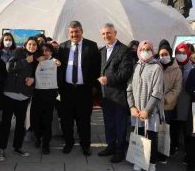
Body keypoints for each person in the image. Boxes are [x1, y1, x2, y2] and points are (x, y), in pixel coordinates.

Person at [57, 21, 101, 156]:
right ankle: (69, 143)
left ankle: (85, 145)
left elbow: (97, 67)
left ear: (81, 31)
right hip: (67, 90)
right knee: (67, 119)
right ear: (68, 33)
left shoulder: (91, 46)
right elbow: (59, 67)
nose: (74, 34)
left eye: (76, 31)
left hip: (84, 90)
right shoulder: (63, 47)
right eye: (71, 32)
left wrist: (94, 86)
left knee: (84, 120)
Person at [97, 23, 134, 162]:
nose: (106, 36)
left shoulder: (124, 50)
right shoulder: (102, 51)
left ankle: (120, 151)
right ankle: (110, 146)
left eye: (108, 33)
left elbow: (126, 72)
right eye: (104, 34)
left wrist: (109, 79)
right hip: (106, 96)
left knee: (120, 125)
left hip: (119, 95)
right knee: (109, 123)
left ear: (115, 33)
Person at [0, 37, 38, 160]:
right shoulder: (19, 52)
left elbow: (38, 75)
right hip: (10, 93)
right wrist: (26, 60)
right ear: (26, 45)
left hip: (24, 95)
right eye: (30, 44)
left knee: (21, 124)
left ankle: (17, 147)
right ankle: (1, 149)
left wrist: (33, 80)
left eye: (34, 44)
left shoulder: (37, 58)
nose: (32, 46)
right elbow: (9, 67)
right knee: (6, 124)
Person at [127, 41, 164, 171]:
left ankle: (152, 162)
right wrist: (132, 106)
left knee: (151, 137)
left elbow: (157, 92)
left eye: (148, 49)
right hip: (136, 111)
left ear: (152, 51)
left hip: (150, 111)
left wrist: (147, 110)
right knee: (139, 136)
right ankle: (139, 160)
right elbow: (129, 89)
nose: (145, 51)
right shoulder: (136, 66)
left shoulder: (156, 68)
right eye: (142, 49)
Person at [31, 43, 61, 154]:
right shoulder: (36, 62)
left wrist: (58, 64)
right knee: (36, 118)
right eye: (43, 51)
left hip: (50, 94)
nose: (45, 53)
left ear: (52, 52)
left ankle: (46, 144)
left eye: (47, 50)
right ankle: (38, 138)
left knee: (47, 119)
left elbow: (59, 76)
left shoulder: (55, 62)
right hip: (37, 94)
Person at [156, 40, 183, 164]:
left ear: (170, 54)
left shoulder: (176, 69)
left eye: (166, 54)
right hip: (155, 104)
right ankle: (155, 152)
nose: (163, 57)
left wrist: (166, 99)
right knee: (156, 130)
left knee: (166, 131)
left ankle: (164, 153)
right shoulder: (156, 66)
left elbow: (177, 88)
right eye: (161, 55)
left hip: (168, 105)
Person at [174, 43, 195, 158]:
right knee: (174, 126)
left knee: (187, 128)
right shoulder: (172, 66)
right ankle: (174, 146)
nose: (180, 55)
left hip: (186, 102)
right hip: (173, 102)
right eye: (178, 53)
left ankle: (188, 151)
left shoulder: (192, 69)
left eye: (183, 52)